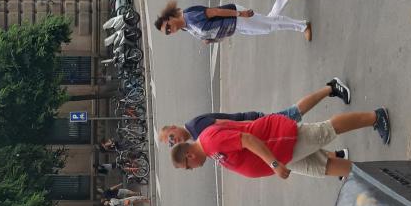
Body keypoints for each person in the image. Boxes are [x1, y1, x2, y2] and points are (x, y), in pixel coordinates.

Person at [170, 108, 390, 180]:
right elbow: (234, 125)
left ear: (188, 156)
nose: (191, 169)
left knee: (327, 130)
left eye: (187, 167)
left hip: (281, 143)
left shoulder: (209, 142)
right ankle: (375, 178)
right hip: (284, 156)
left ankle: (375, 117)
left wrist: (273, 164)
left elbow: (247, 139)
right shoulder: (208, 149)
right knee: (324, 167)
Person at [158, 78, 352, 146]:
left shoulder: (196, 127)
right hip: (253, 127)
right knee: (296, 138)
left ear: (174, 127)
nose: (175, 142)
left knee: (294, 114)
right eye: (171, 144)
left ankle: (331, 88)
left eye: (172, 137)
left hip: (254, 125)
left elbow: (226, 127)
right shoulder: (194, 134)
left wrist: (254, 127)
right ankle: (336, 158)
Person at [155, 0, 312, 43]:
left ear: (169, 18)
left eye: (168, 27)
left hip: (237, 18)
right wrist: (210, 40)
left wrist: (240, 14)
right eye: (168, 32)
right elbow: (208, 29)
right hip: (234, 27)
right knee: (268, 25)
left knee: (270, 25)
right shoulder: (186, 27)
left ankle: (303, 26)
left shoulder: (190, 17)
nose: (171, 30)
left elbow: (215, 11)